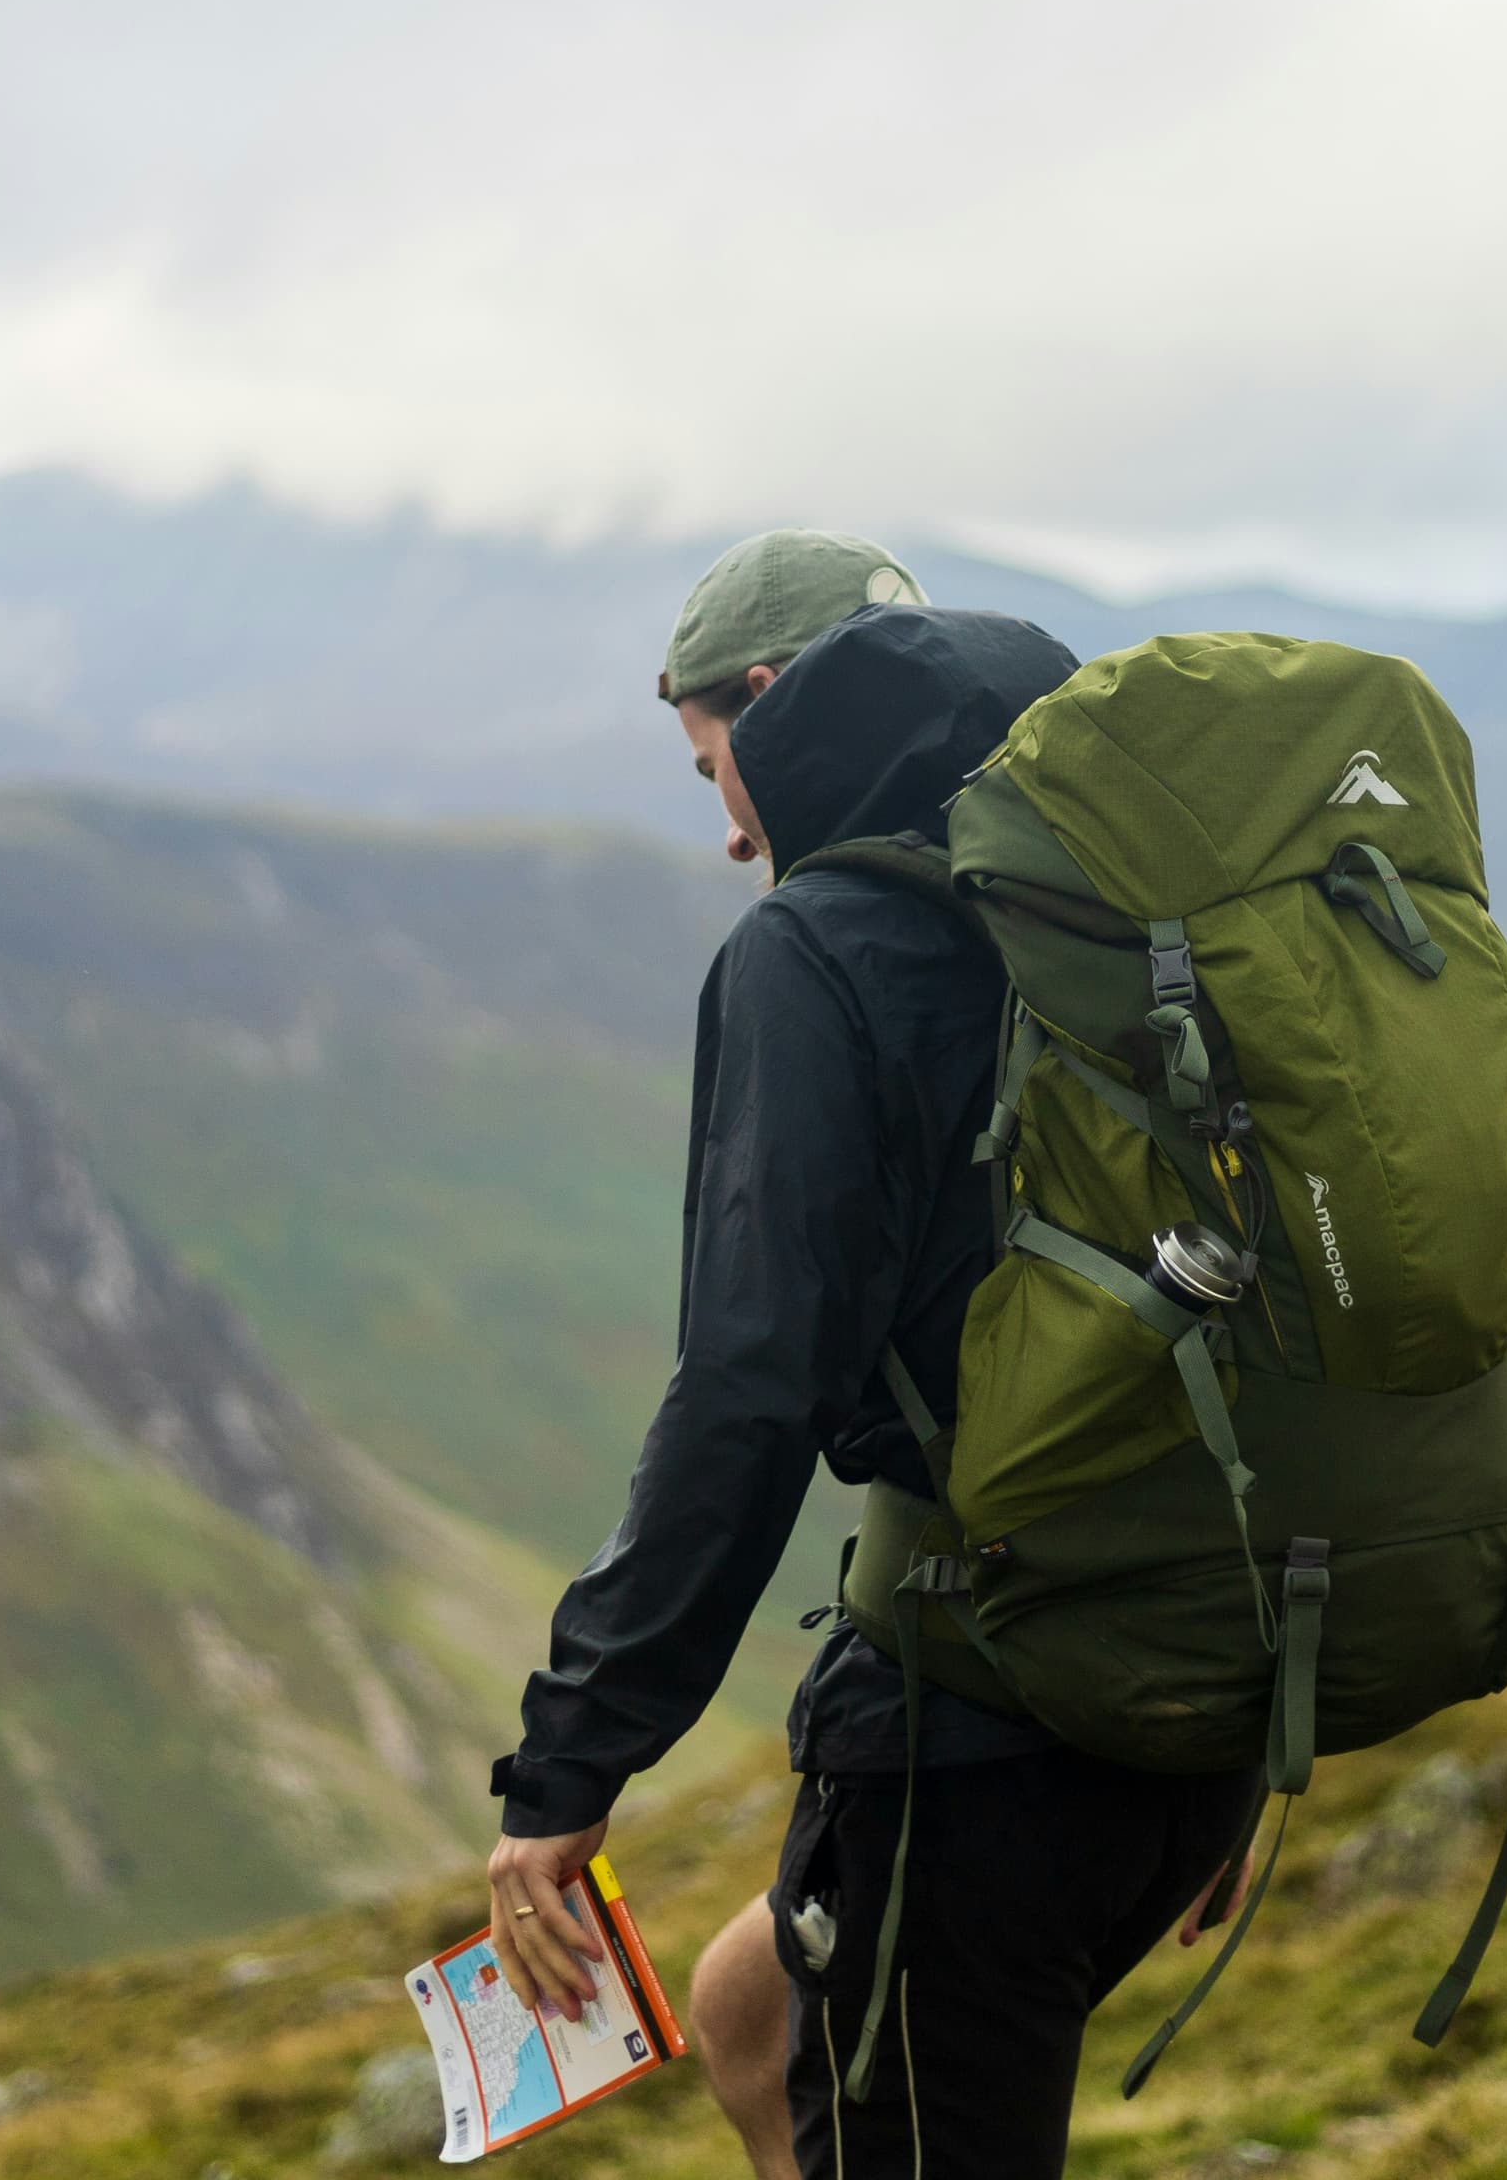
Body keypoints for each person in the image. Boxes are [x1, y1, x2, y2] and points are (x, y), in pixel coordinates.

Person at [478, 530, 1260, 2180]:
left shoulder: (820, 948)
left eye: (717, 772)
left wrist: (570, 1768)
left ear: (771, 706)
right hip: (1182, 1703)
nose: (731, 829)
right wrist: (1223, 1715)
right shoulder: (1141, 900)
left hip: (988, 1737)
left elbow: (750, 1390)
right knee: (751, 2011)